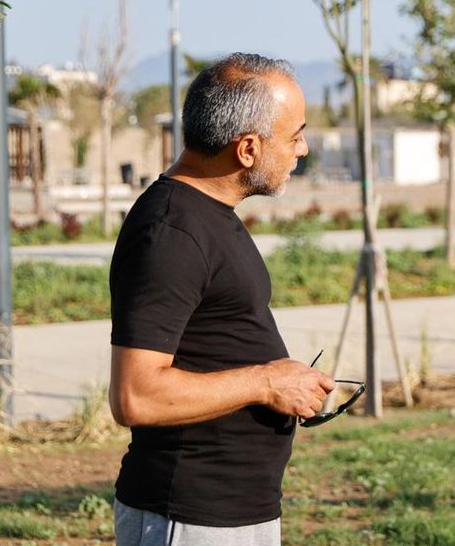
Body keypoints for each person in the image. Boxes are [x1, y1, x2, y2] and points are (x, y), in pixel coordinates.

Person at [108, 52, 334, 546]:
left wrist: (283, 381)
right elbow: (135, 396)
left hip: (231, 512)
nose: (302, 149)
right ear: (248, 148)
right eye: (294, 135)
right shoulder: (171, 232)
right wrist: (265, 383)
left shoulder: (208, 214)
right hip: (190, 516)